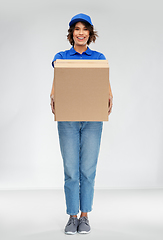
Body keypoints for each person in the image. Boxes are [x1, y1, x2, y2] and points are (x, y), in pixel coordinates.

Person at [50, 13, 113, 235]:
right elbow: (58, 82)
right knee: (70, 170)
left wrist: (109, 97)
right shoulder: (61, 56)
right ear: (72, 33)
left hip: (93, 118)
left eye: (85, 29)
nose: (81, 33)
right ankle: (72, 216)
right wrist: (53, 96)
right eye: (77, 29)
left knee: (87, 169)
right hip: (68, 118)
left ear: (90, 33)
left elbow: (104, 84)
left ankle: (85, 216)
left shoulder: (98, 57)